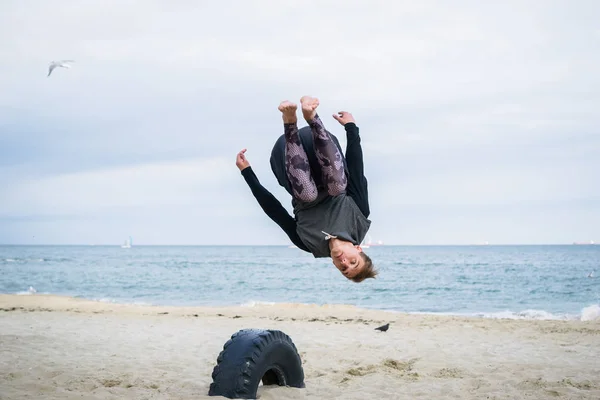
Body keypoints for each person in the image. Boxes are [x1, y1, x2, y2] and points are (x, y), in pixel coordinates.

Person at [235, 96, 377, 282]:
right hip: (320, 147)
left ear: (335, 266)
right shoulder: (359, 218)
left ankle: (290, 121)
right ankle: (312, 116)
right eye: (353, 262)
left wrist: (247, 173)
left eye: (343, 269)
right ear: (358, 249)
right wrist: (351, 128)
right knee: (338, 187)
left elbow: (275, 212)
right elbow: (356, 169)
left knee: (308, 195)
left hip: (287, 157)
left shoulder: (307, 243)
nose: (344, 263)